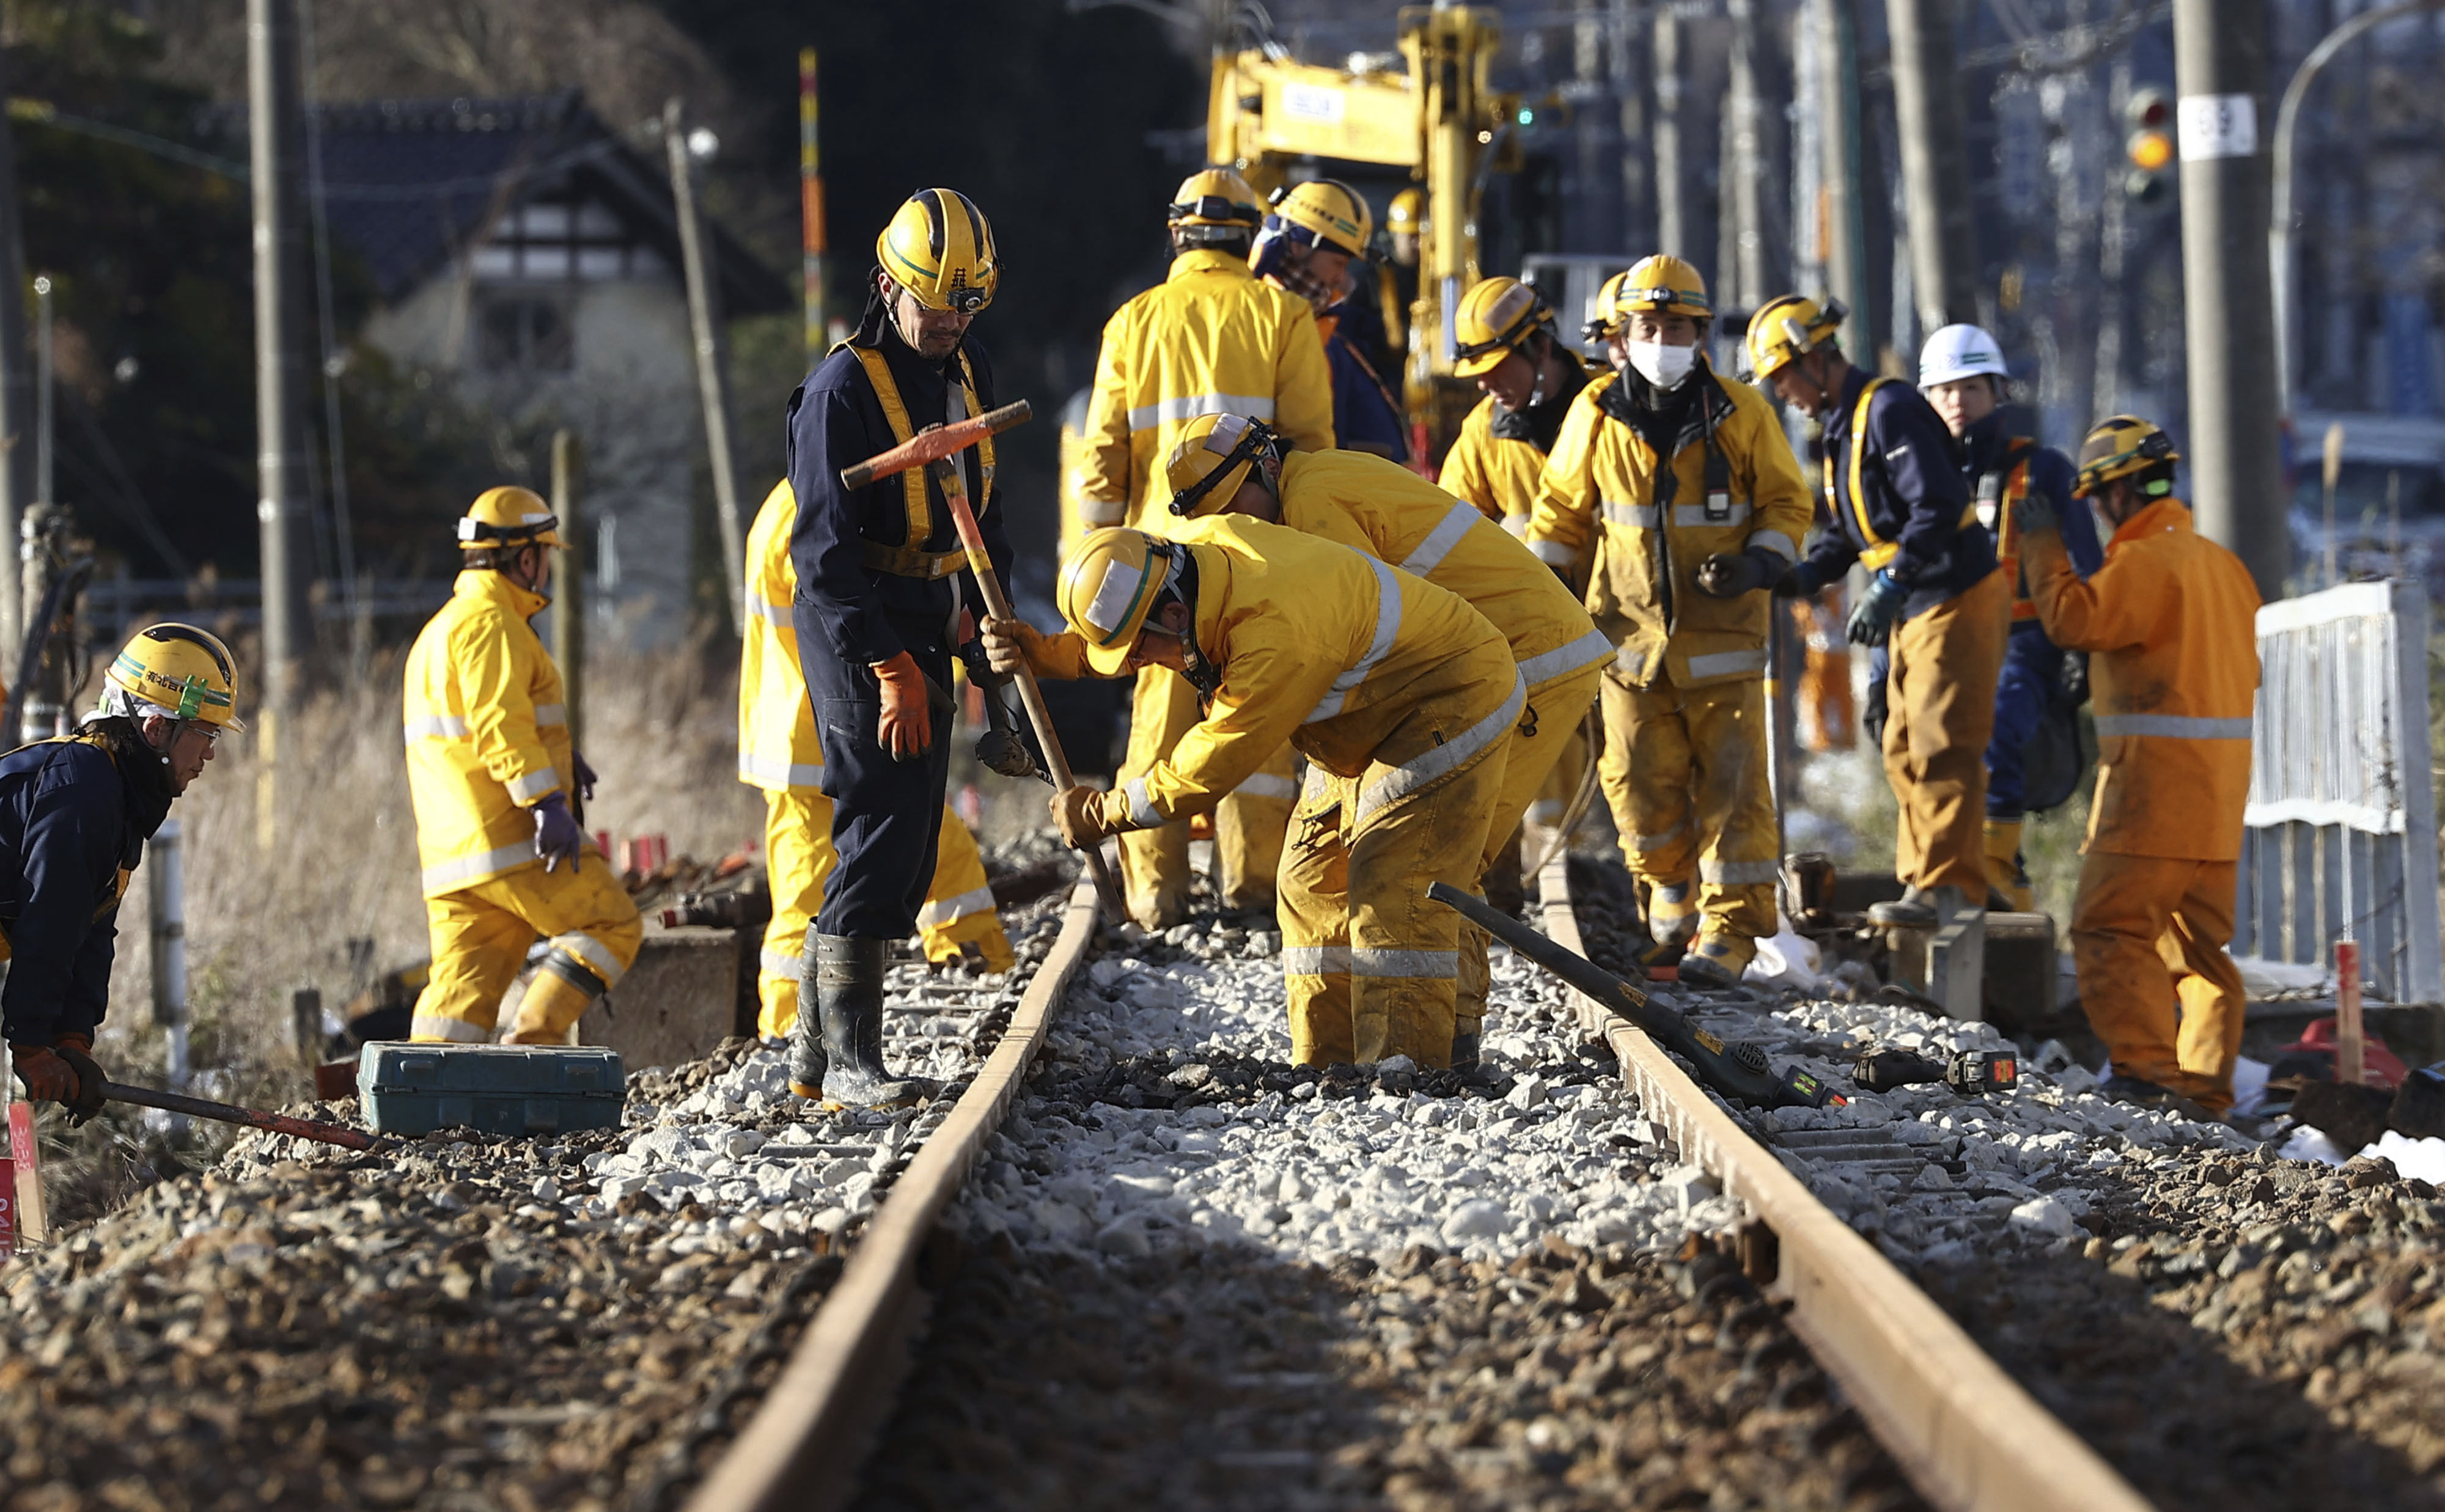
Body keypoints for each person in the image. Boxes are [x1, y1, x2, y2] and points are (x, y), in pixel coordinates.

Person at [1156, 410, 1608, 1069]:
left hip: (1524, 665)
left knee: (1435, 860)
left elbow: (1350, 640)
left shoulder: (1312, 505)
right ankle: (1333, 1056)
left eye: (1239, 506)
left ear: (1268, 465)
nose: (1240, 525)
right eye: (1222, 517)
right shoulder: (1299, 498)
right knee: (1314, 871)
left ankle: (1435, 1054)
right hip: (1418, 691)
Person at [990, 518, 1517, 1070]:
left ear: (1174, 616)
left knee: (1394, 884)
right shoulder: (1199, 562)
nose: (1141, 666)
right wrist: (1049, 653)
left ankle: (1411, 1070)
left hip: (1448, 697)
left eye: (1141, 654)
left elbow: (1206, 768)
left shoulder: (1274, 637)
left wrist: (1107, 811)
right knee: (1308, 881)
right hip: (1364, 713)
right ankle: (1331, 1064)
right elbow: (1140, 638)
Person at [785, 187, 1017, 1109]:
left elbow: (982, 513)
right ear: (889, 285)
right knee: (881, 818)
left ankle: (812, 1057)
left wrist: (979, 617)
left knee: (915, 834)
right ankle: (849, 1061)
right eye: (936, 305)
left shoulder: (968, 368)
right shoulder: (841, 391)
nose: (951, 324)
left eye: (968, 306)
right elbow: (823, 558)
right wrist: (889, 670)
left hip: (926, 601)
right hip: (857, 613)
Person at [1529, 258, 1816, 986]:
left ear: (1700, 334)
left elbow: (1788, 504)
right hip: (1627, 642)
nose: (1663, 339)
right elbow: (1558, 518)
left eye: (1677, 327)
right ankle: (1671, 896)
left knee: (1732, 790)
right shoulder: (1595, 413)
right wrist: (1543, 593)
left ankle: (1730, 930)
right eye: (1649, 327)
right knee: (1635, 782)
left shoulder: (1741, 413)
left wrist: (1758, 562)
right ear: (1624, 333)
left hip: (1722, 645)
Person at [1077, 168, 1331, 930]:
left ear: (1177, 235)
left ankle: (1157, 899)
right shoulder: (1281, 315)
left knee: (1160, 728)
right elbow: (1310, 449)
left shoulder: (1133, 321)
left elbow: (1101, 459)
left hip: (1152, 563)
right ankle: (1254, 889)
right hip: (1255, 558)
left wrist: (1097, 557)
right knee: (1254, 718)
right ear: (1251, 235)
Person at [2017, 416, 2259, 1115]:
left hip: (2154, 790)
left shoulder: (2145, 561)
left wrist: (2040, 544)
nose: (2096, 510)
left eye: (2097, 498)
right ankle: (2206, 1089)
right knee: (2200, 949)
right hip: (2217, 800)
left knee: (2107, 926)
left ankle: (2148, 1074)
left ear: (2118, 493)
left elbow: (2072, 618)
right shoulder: (2224, 566)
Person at [1749, 295, 2004, 933]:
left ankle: (1948, 887)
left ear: (1812, 360)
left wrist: (1889, 581)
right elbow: (1852, 529)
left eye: (1783, 377)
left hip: (1953, 590)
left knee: (1940, 742)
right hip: (1916, 597)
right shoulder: (1841, 426)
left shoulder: (1888, 409)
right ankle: (1920, 877)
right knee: (1898, 740)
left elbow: (1937, 505)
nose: (1784, 394)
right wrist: (1810, 571)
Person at [739, 478, 1013, 1042]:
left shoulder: (807, 501)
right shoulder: (810, 511)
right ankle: (789, 1036)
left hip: (832, 735)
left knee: (938, 846)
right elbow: (843, 613)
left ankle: (979, 965)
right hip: (813, 744)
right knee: (809, 900)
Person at [405, 488, 642, 1044]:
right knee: (611, 923)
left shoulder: (441, 629)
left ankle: (420, 1106)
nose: (549, 569)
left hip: (453, 855)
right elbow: (499, 724)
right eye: (546, 556)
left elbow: (476, 726)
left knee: (460, 999)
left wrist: (562, 758)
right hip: (513, 839)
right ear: (524, 557)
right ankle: (531, 1047)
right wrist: (546, 803)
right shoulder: (493, 623)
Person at [3, 624, 237, 1117]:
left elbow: (89, 925)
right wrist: (29, 1044)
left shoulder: (119, 792)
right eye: (206, 733)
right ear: (157, 729)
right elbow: (51, 916)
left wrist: (73, 1037)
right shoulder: (86, 788)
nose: (210, 753)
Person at [1918, 323, 2100, 911]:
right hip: (1944, 637)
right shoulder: (1917, 470)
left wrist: (2082, 648)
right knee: (1925, 747)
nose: (1957, 402)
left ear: (1998, 393)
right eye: (1944, 390)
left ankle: (2000, 873)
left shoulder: (2043, 468)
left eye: (1971, 388)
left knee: (1993, 729)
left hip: (2026, 642)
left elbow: (2086, 562)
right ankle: (1946, 867)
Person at [1436, 275, 1600, 911]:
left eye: (1495, 366)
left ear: (1540, 347)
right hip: (1535, 634)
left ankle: (1662, 916)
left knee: (1644, 771)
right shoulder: (1485, 432)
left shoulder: (1608, 409)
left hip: (1617, 617)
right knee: (1516, 756)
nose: (1483, 383)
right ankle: (1507, 889)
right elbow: (1447, 524)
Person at [1252, 179, 1408, 462]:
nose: (1341, 278)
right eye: (1338, 263)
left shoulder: (1329, 333)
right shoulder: (1256, 319)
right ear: (1300, 247)